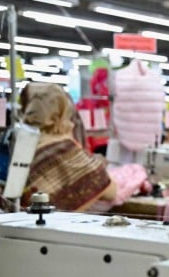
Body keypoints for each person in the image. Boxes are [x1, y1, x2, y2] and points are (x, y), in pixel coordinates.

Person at [19, 83, 117, 211]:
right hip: (41, 228)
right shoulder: (64, 148)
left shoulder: (15, 141)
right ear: (60, 114)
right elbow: (110, 190)